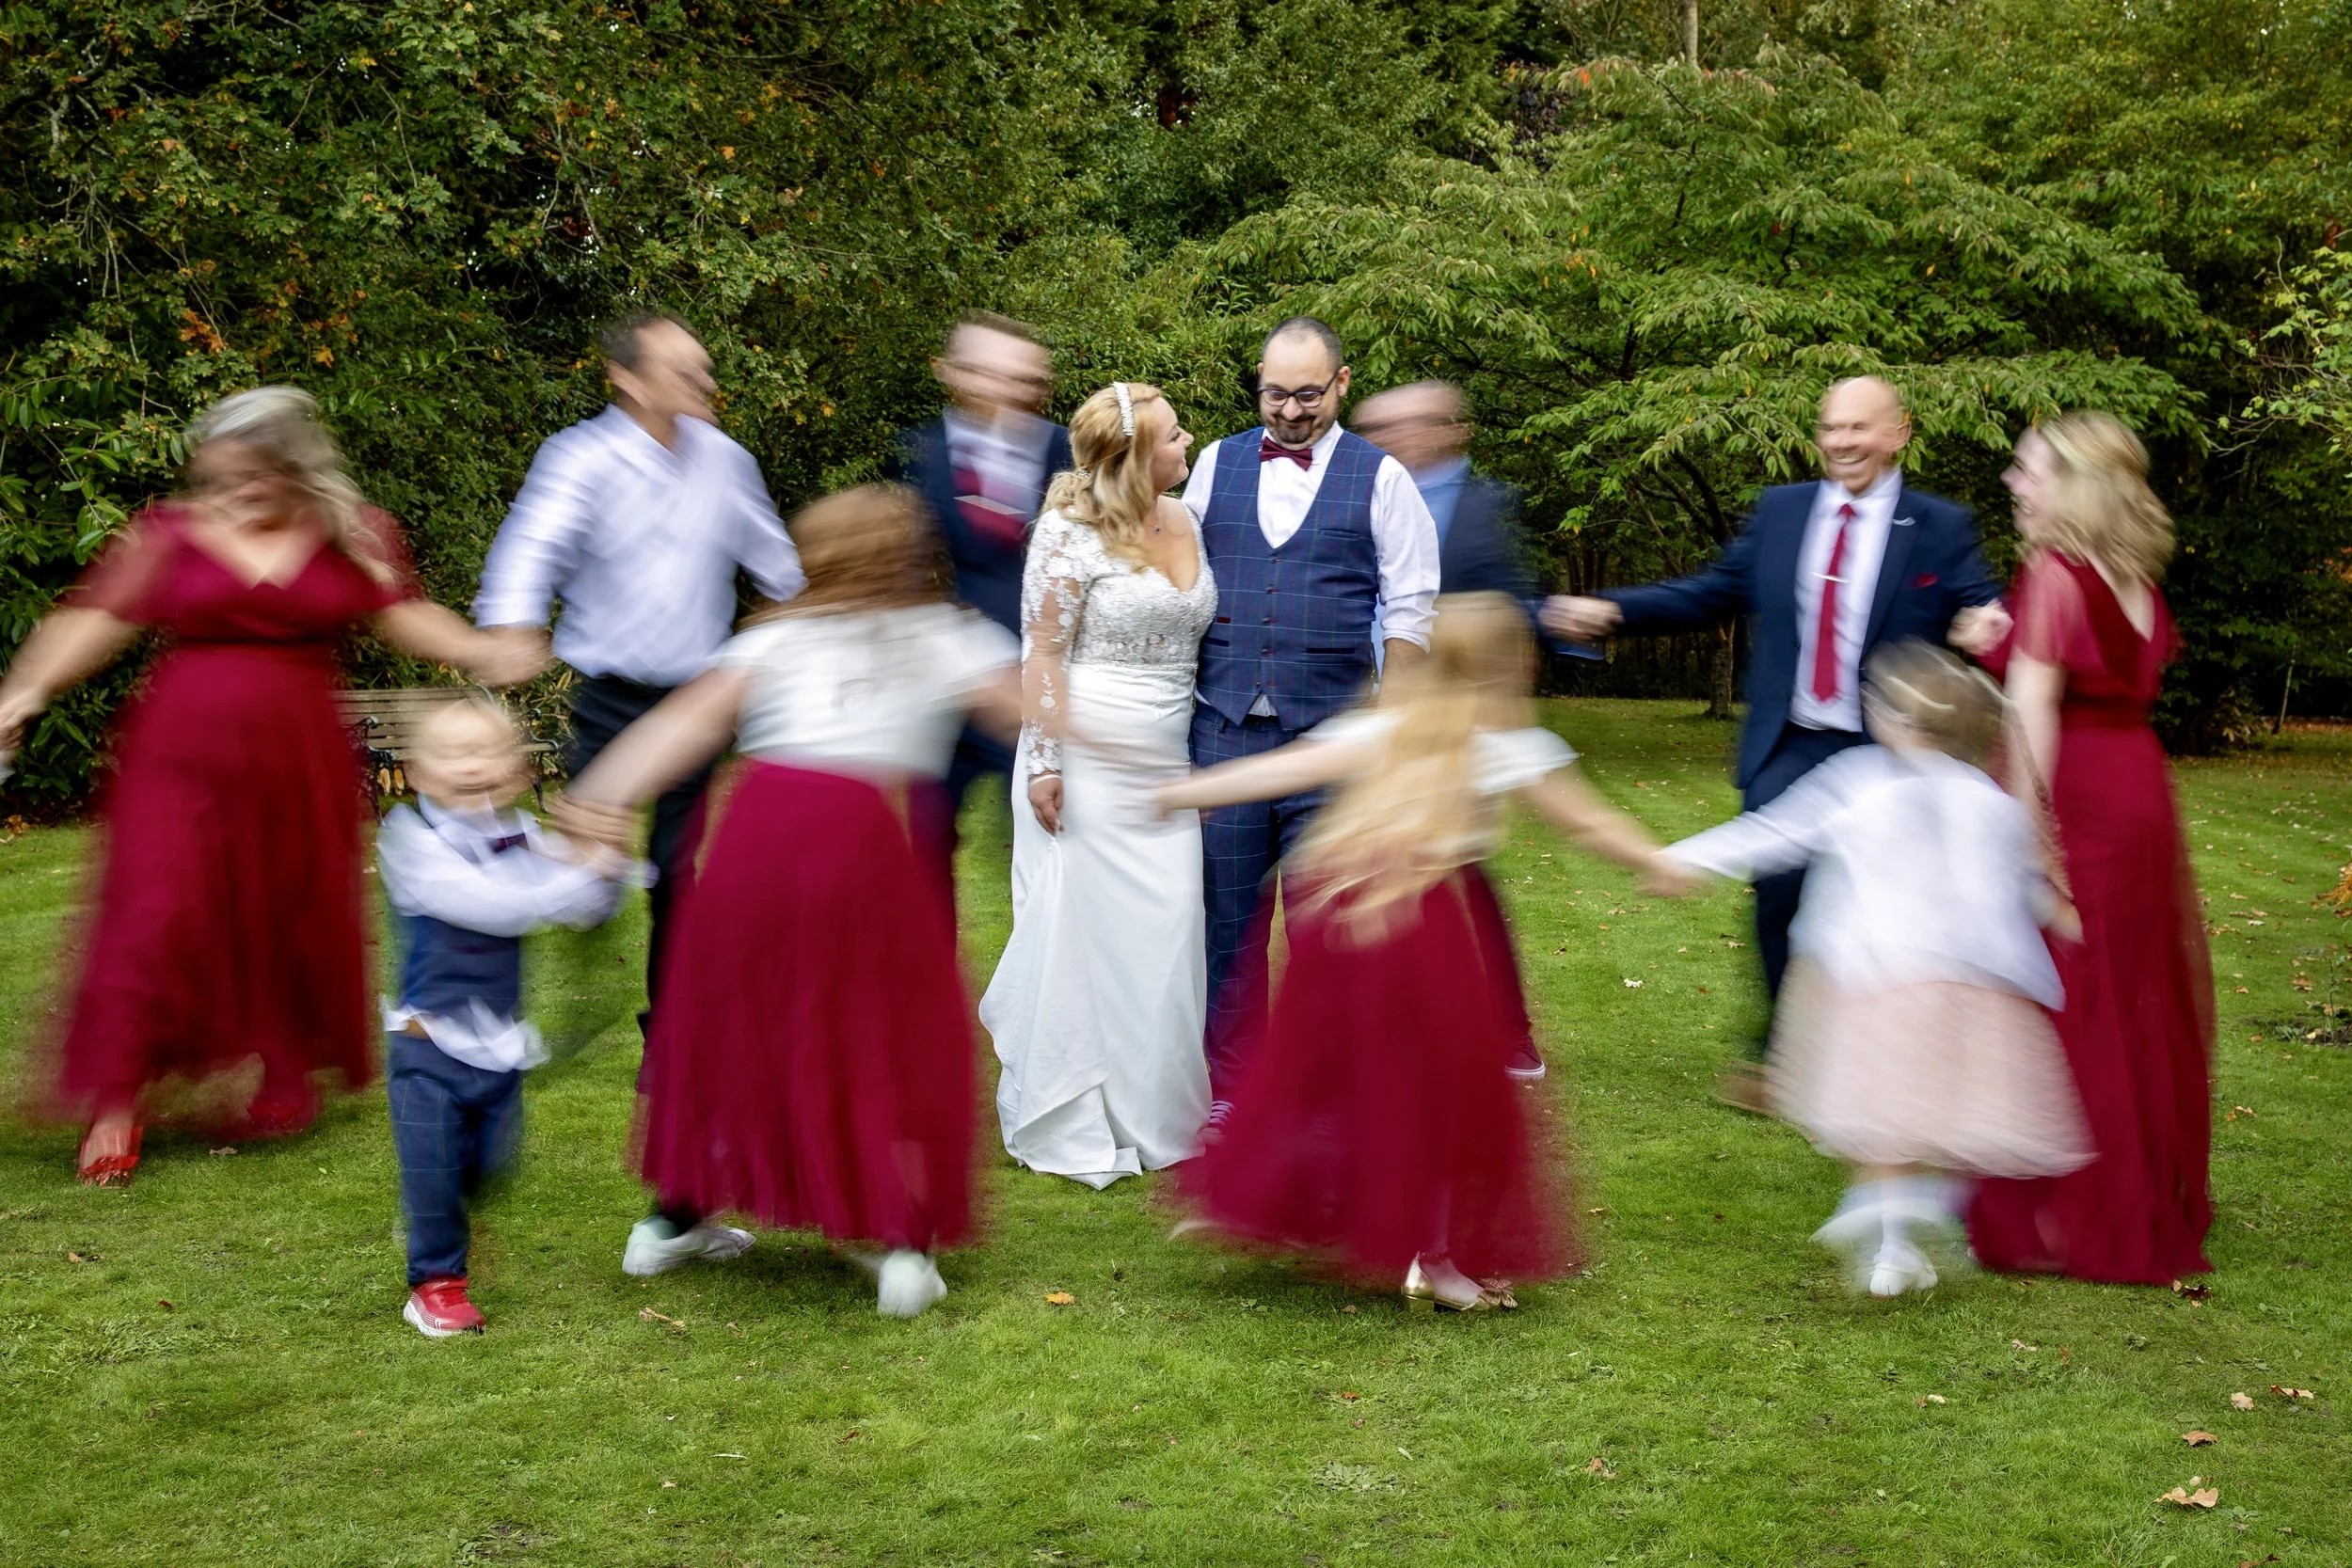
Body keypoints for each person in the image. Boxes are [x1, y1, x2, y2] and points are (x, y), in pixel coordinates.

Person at [0, 387, 528, 1184]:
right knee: (157, 911)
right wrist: (27, 691)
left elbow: (403, 615)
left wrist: (482, 650)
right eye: (217, 477)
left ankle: (284, 1068)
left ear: (294, 469)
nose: (233, 493)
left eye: (252, 476)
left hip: (296, 761)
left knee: (285, 906)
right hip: (181, 757)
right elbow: (93, 619)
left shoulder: (348, 535)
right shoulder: (170, 536)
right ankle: (118, 1096)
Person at [556, 484, 1024, 1317]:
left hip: (758, 838)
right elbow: (1031, 710)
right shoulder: (942, 632)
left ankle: (672, 1220)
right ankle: (899, 1242)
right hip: (861, 841)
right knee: (884, 1028)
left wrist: (599, 793)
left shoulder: (773, 638)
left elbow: (683, 726)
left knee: (743, 1020)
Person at [1160, 594, 1692, 1310]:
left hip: (1337, 920)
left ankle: (1245, 1200)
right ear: (1514, 663)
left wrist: (1187, 789)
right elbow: (1588, 821)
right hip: (1417, 928)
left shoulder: (1384, 724)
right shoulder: (1500, 744)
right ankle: (1434, 1260)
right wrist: (1656, 859)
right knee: (1446, 1095)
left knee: (1317, 1075)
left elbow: (1278, 770)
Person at [1543, 376, 2010, 1110]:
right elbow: (1713, 590)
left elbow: (1981, 597)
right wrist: (1612, 610)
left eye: (1860, 427)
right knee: (1778, 895)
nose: (1843, 441)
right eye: (1831, 427)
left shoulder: (1939, 525)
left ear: (1899, 434)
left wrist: (1986, 619)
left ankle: (1890, 1056)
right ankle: (1783, 1054)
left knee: (1886, 907)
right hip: (1791, 741)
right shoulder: (1783, 511)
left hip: (1890, 748)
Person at [1664, 641, 2092, 1297]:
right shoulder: (1987, 798)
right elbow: (2016, 881)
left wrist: (1688, 859)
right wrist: (2059, 913)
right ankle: (1907, 1222)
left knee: (1877, 1116)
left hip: (1870, 979)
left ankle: (1885, 1228)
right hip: (1959, 987)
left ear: (1899, 720)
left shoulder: (1858, 780)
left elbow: (1779, 832)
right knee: (1931, 1115)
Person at [472, 309, 803, 1021]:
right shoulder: (580, 457)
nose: (703, 379)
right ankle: (557, 970)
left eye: (703, 366)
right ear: (626, 377)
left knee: (677, 871)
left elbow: (776, 561)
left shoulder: (726, 461)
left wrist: (802, 617)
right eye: (682, 368)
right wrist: (514, 622)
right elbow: (535, 542)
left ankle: (671, 1023)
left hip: (695, 703)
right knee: (590, 866)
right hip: (610, 697)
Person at [1966, 413, 2216, 1285]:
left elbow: (2032, 717)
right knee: (2129, 991)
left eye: (2029, 470)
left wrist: (2027, 839)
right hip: (2138, 792)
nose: (2013, 482)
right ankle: (2133, 1189)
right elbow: (2103, 675)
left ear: (2073, 483)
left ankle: (2071, 1214)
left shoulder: (2056, 571)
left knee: (2071, 990)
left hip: (2078, 795)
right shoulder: (2134, 575)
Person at [1183, 317, 1442, 1117]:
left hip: (1333, 738)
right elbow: (1176, 578)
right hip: (1223, 731)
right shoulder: (1213, 463)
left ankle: (1328, 1089)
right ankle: (1233, 1092)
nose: (1290, 412)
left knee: (1329, 926)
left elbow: (1410, 610)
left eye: (1306, 394)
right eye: (1274, 393)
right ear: (1257, 382)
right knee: (1224, 923)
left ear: (1341, 382)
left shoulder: (1383, 478)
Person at [979, 382, 1216, 1187]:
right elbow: (1042, 654)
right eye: (1175, 437)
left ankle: (1162, 1115)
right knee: (1089, 935)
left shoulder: (1187, 519)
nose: (1189, 443)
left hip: (1167, 754)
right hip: (1083, 755)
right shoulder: (1065, 532)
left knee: (1168, 927)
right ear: (1134, 459)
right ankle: (1084, 1112)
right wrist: (1044, 759)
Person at [378, 696, 637, 1337]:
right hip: (427, 1045)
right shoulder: (411, 839)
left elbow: (585, 902)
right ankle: (436, 1283)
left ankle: (433, 1208)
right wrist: (576, 871)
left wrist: (605, 861)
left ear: (518, 769)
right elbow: (489, 902)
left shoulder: (522, 835)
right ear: (417, 771)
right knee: (435, 1165)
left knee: (488, 1166)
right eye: (452, 752)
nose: (470, 764)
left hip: (497, 1049)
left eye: (486, 749)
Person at [1355, 377, 1561, 1084]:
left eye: (1412, 425)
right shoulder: (1364, 493)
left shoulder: (1489, 508)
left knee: (1463, 872)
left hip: (1457, 723)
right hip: (1368, 705)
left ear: (1450, 428)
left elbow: (1518, 612)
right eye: (1381, 430)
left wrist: (1496, 709)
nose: (1397, 440)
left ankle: (1511, 1031)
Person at [889, 312, 1073, 886]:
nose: (1009, 389)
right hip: (940, 685)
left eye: (1023, 377)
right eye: (991, 374)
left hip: (1032, 685)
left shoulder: (1064, 451)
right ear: (956, 374)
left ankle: (1042, 972)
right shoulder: (917, 451)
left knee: (1042, 843)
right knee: (922, 845)